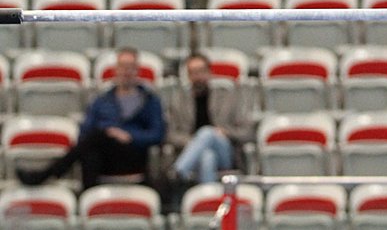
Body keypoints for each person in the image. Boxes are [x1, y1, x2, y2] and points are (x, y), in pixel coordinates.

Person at [17, 47, 165, 190]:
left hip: (133, 155)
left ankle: (46, 175)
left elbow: (157, 134)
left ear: (137, 70)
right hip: (104, 157)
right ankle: (88, 195)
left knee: (96, 137)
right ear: (116, 70)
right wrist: (108, 133)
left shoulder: (150, 101)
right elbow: (85, 131)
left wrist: (129, 136)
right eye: (122, 67)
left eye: (130, 67)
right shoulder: (101, 101)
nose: (126, 72)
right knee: (91, 149)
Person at [167, 52, 253, 185]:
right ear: (188, 76)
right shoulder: (179, 101)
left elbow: (247, 132)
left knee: (207, 132)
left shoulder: (227, 97)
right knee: (207, 157)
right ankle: (208, 193)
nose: (198, 76)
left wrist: (226, 132)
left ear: (209, 72)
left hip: (225, 151)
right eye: (193, 73)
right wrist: (193, 142)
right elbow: (170, 134)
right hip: (192, 151)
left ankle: (179, 170)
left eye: (201, 71)